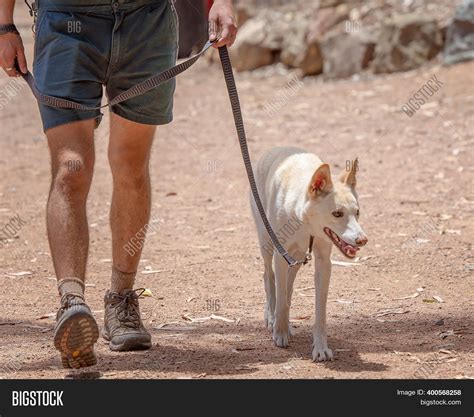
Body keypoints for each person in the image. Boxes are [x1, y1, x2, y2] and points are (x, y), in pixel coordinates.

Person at [0, 0, 237, 369]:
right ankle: (72, 302)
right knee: (70, 167)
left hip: (147, 20)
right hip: (66, 19)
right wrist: (4, 25)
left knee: (131, 165)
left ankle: (122, 299)